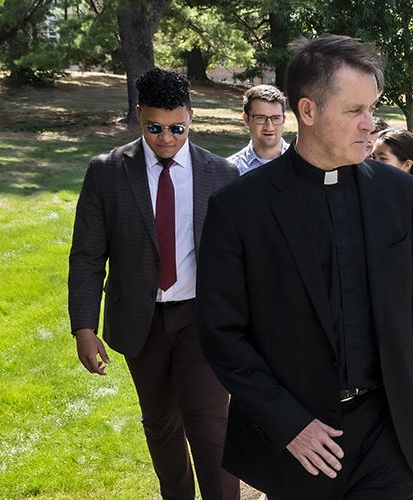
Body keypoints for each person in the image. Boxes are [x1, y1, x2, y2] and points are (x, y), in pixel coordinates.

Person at [196, 35, 413, 499]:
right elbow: (221, 333)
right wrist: (288, 424)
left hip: (389, 427)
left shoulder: (397, 193)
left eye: (372, 109)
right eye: (355, 111)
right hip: (303, 441)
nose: (370, 124)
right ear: (308, 111)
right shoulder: (239, 209)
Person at [68, 67, 240, 500]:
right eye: (155, 128)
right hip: (140, 320)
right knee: (161, 424)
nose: (166, 138)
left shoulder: (220, 174)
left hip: (202, 319)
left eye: (177, 127)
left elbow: (243, 259)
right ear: (139, 115)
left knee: (208, 422)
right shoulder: (106, 172)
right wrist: (84, 327)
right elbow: (88, 256)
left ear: (192, 117)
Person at [227, 84, 289, 174]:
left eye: (276, 118)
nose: (269, 127)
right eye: (261, 118)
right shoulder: (231, 170)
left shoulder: (302, 165)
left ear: (284, 119)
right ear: (246, 118)